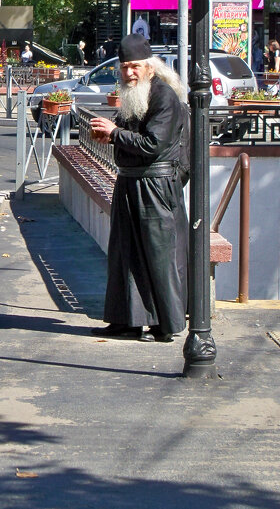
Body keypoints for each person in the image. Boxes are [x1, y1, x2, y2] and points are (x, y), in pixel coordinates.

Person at [88, 33, 190, 342]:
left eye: (134, 67)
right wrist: (111, 136)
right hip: (131, 182)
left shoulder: (164, 96)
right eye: (124, 68)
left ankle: (164, 325)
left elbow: (153, 144)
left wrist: (115, 133)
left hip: (156, 187)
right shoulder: (136, 95)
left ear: (149, 66)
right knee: (124, 254)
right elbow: (132, 138)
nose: (129, 73)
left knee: (158, 256)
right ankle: (126, 321)